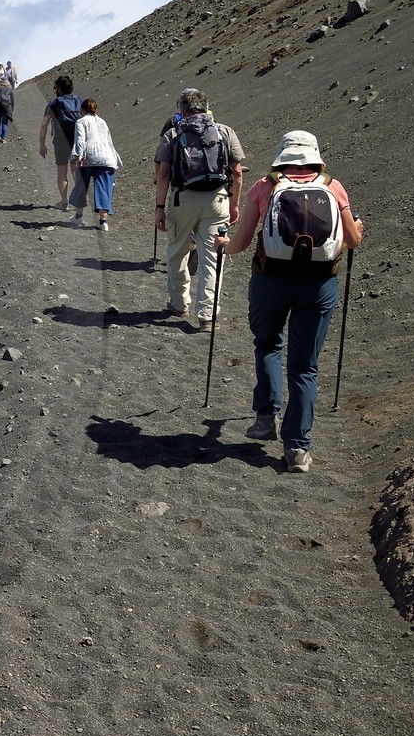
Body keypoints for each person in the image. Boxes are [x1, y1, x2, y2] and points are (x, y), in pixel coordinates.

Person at [214, 131, 363, 473]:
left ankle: (266, 418)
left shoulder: (265, 187)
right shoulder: (333, 186)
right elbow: (352, 241)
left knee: (267, 344)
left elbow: (240, 244)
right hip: (319, 284)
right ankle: (297, 448)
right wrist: (358, 227)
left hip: (271, 281)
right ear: (315, 155)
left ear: (281, 156)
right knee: (304, 365)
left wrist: (224, 243)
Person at [154, 88, 245, 330]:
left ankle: (179, 302)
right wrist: (234, 204)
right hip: (217, 200)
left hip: (182, 200)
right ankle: (207, 316)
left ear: (182, 110)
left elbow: (163, 174)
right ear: (206, 108)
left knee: (177, 250)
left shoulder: (173, 134)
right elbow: (236, 172)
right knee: (212, 257)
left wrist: (159, 208)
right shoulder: (225, 132)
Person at [68, 99, 121, 229]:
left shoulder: (81, 121)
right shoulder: (102, 121)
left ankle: (78, 217)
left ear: (82, 110)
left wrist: (79, 156)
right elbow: (109, 141)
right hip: (107, 157)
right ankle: (103, 222)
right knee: (103, 187)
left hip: (89, 154)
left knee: (81, 184)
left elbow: (80, 139)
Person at [38, 75, 83, 210]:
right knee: (75, 170)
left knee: (62, 172)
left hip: (60, 141)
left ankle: (64, 203)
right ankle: (79, 202)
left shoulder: (54, 103)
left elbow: (44, 124)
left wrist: (42, 143)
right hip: (76, 139)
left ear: (58, 88)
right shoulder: (79, 100)